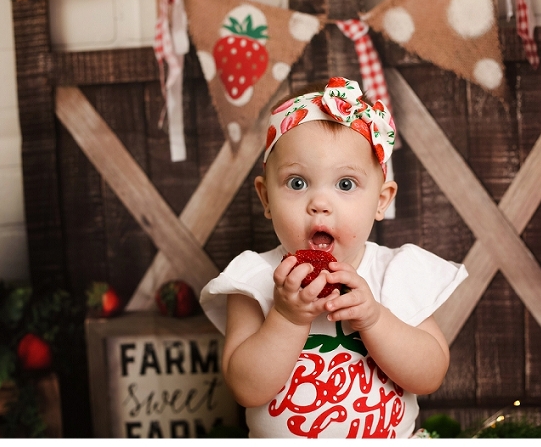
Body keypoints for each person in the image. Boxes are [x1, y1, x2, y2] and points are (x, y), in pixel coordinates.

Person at [199, 76, 468, 438]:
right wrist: (286, 317)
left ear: (381, 200)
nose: (320, 204)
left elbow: (430, 375)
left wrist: (374, 319)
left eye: (345, 184)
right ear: (266, 198)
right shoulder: (253, 278)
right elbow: (247, 389)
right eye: (297, 183)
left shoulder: (395, 273)